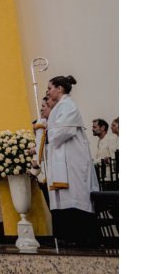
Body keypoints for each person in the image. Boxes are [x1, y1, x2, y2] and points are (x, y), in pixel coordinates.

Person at [46, 75, 100, 247]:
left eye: (50, 88)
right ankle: (70, 237)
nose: (48, 91)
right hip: (64, 160)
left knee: (76, 196)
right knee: (66, 198)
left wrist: (46, 133)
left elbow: (61, 133)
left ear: (59, 88)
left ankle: (85, 239)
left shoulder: (68, 106)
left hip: (73, 161)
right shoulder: (60, 106)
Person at [30, 96, 54, 207]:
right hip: (43, 177)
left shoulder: (49, 129)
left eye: (44, 106)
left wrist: (34, 165)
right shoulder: (38, 139)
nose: (41, 110)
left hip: (50, 175)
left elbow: (43, 153)